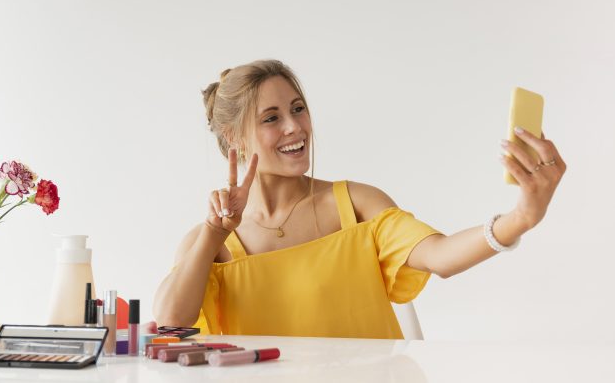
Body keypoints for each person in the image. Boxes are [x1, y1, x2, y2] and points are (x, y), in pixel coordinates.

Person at [152, 59, 566, 339]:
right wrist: (213, 233)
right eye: (271, 118)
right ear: (233, 140)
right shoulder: (209, 243)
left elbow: (440, 256)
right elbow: (171, 320)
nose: (295, 127)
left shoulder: (355, 205)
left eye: (298, 109)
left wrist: (522, 217)